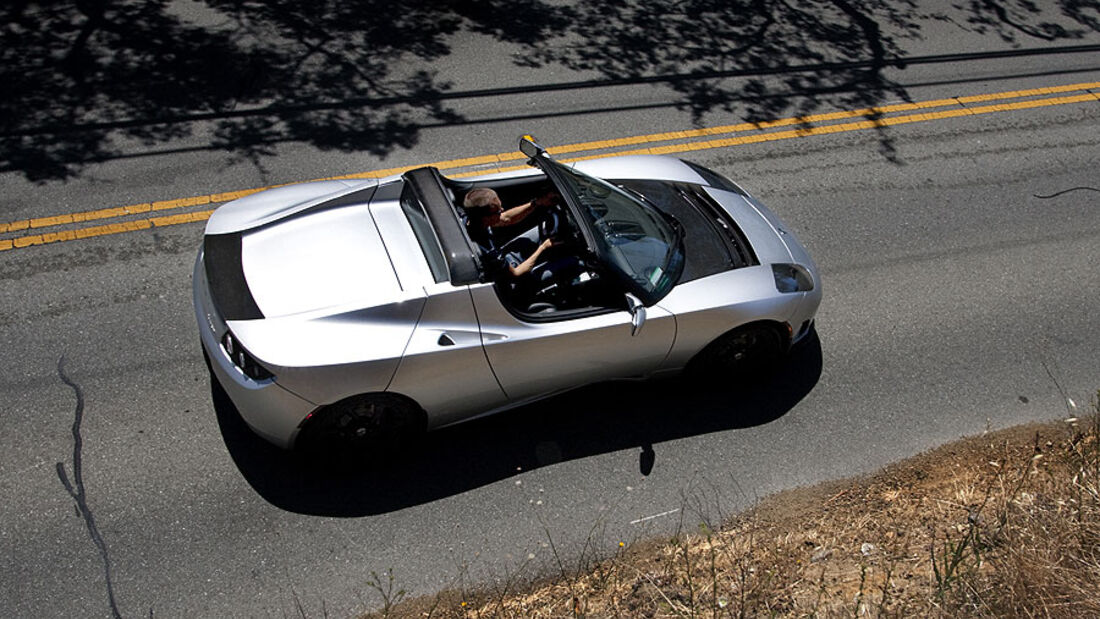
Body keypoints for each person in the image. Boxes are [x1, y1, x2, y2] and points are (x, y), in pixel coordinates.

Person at [462, 187, 561, 278]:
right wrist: (543, 248)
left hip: (504, 259)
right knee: (568, 264)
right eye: (498, 211)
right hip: (507, 277)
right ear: (486, 219)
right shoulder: (487, 251)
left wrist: (536, 203)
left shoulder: (471, 221)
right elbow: (515, 273)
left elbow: (506, 218)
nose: (502, 210)